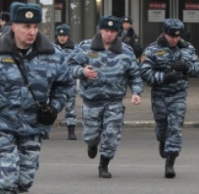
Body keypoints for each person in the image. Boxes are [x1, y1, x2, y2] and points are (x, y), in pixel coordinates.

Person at [0, 2, 74, 193]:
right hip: (2, 124)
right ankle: (2, 178)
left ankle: (3, 175)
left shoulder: (53, 55)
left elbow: (65, 85)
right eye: (26, 27)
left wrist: (54, 107)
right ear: (13, 27)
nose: (32, 32)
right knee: (7, 181)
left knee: (24, 181)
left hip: (33, 126)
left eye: (35, 27)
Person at [69, 15, 143, 178]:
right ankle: (92, 144)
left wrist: (136, 92)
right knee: (91, 135)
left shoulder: (126, 51)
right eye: (106, 30)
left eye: (112, 31)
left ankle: (104, 165)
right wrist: (82, 72)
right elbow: (70, 66)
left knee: (112, 135)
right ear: (101, 30)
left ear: (117, 32)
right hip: (91, 100)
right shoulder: (86, 47)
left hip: (114, 101)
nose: (109, 34)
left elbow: (134, 74)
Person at [140, 18, 199, 178]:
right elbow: (145, 72)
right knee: (162, 128)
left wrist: (188, 68)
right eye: (171, 36)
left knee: (176, 128)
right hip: (160, 95)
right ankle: (162, 140)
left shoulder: (188, 49)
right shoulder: (152, 50)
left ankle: (170, 163)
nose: (174, 39)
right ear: (165, 34)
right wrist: (164, 77)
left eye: (177, 37)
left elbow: (197, 68)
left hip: (178, 95)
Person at [54, 24, 77, 140]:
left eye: (64, 35)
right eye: (60, 35)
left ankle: (71, 130)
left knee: (70, 107)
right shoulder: (52, 48)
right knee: (51, 107)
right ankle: (46, 129)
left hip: (69, 82)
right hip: (54, 83)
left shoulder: (74, 49)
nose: (62, 38)